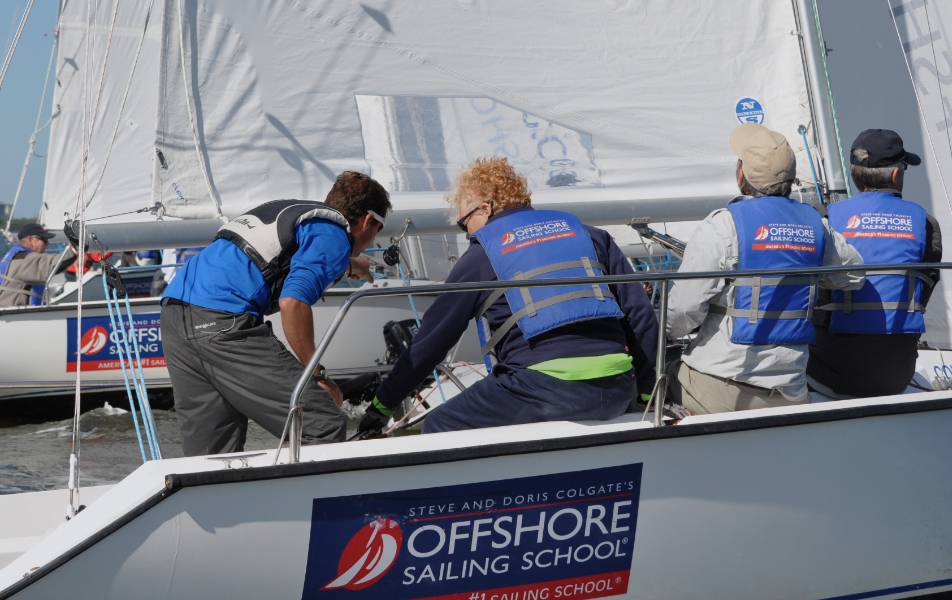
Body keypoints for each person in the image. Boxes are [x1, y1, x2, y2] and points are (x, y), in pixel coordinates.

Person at [358, 156, 658, 435]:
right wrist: (646, 392)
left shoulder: (481, 255)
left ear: (486, 209)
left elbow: (431, 342)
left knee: (439, 425)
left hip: (542, 391)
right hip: (617, 387)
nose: (466, 234)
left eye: (464, 223)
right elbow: (641, 315)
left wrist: (383, 404)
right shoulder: (591, 235)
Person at [161, 171, 391, 455]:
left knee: (213, 454)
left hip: (175, 316)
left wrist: (350, 263)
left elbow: (276, 257)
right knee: (321, 423)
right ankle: (311, 500)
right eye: (378, 228)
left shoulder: (298, 213)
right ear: (368, 221)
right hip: (222, 322)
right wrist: (318, 377)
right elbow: (292, 303)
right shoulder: (334, 234)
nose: (373, 238)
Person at [666, 124, 865, 415]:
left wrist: (668, 332)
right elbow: (855, 275)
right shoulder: (817, 227)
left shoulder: (722, 225)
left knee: (660, 373)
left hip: (724, 387)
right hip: (791, 391)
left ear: (741, 174)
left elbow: (682, 311)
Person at [807, 129, 942, 398]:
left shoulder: (824, 218)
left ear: (855, 174)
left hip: (830, 371)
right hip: (896, 373)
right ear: (896, 175)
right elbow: (923, 292)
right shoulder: (926, 224)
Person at [0, 223, 77, 307]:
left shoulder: (16, 256)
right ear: (30, 239)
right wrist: (75, 250)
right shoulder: (25, 260)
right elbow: (52, 264)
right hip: (16, 317)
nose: (47, 244)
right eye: (43, 239)